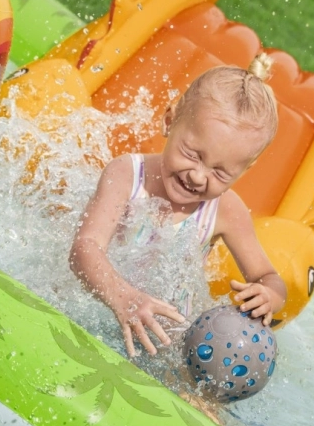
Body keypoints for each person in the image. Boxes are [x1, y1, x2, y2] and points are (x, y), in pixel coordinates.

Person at [69, 53, 287, 358]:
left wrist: (268, 296)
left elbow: (269, 278)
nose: (198, 176)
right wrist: (124, 298)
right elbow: (84, 248)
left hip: (165, 342)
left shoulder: (226, 210)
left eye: (220, 172)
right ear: (170, 121)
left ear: (244, 171)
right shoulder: (127, 175)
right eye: (192, 154)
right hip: (98, 310)